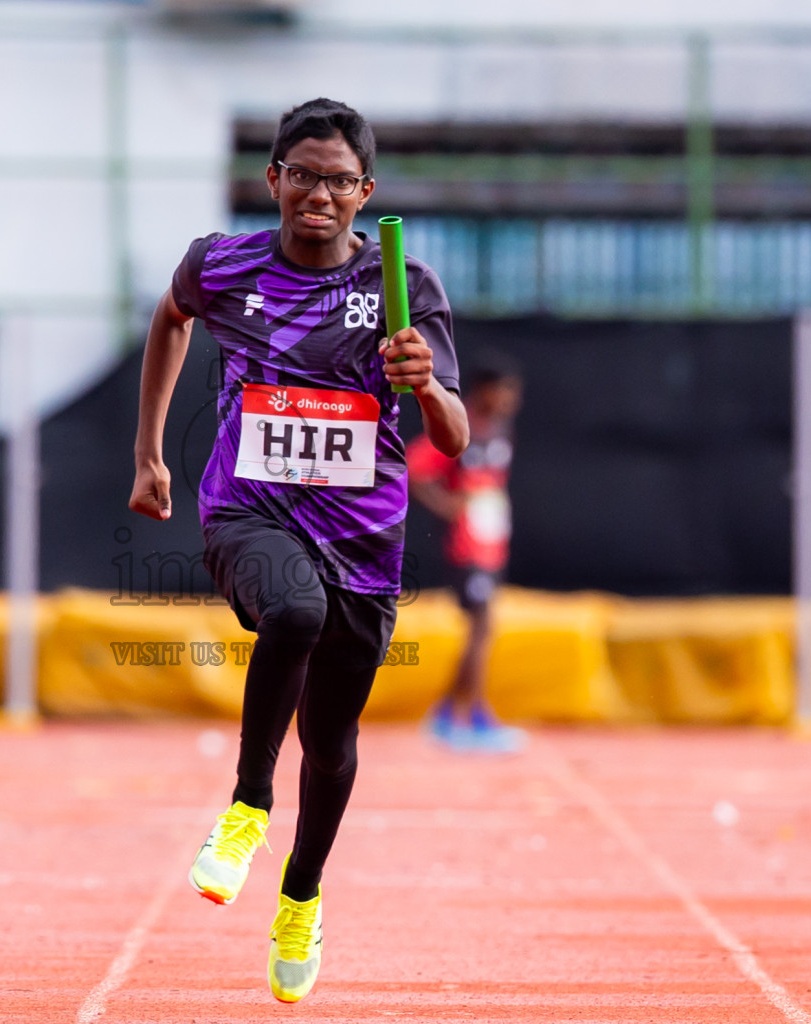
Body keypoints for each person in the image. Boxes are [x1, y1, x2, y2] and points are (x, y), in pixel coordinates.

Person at [128, 98, 467, 1003]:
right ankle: (245, 807)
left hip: (364, 538)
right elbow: (170, 319)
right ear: (273, 180)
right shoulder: (221, 264)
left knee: (333, 739)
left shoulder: (407, 288)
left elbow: (457, 435)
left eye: (338, 181)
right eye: (302, 175)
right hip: (248, 512)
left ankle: (301, 898)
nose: (319, 194)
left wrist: (424, 385)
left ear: (366, 193)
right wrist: (150, 452)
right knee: (294, 608)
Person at [406, 352, 527, 754]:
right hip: (467, 545)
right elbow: (415, 467)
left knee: (483, 629)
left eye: (514, 392)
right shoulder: (461, 430)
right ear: (483, 392)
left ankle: (446, 713)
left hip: (491, 543)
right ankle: (473, 714)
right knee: (481, 627)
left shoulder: (499, 432)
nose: (510, 399)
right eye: (504, 391)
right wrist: (449, 507)